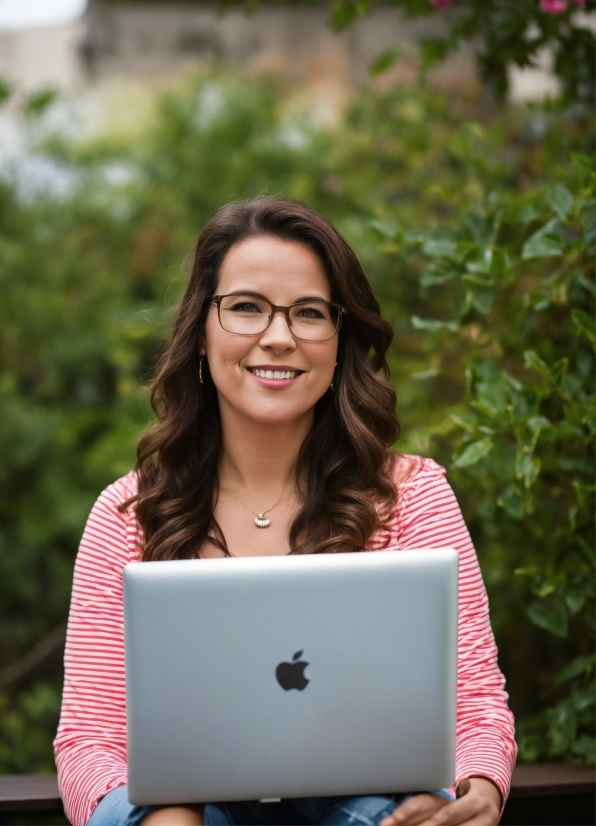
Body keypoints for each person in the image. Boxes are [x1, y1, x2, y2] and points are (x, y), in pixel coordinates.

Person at [54, 197, 516, 826]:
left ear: (338, 341)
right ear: (200, 332)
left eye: (308, 313)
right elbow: (88, 740)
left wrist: (482, 786)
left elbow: (476, 703)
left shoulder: (412, 495)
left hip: (368, 806)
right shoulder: (127, 513)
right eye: (246, 307)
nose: (279, 336)